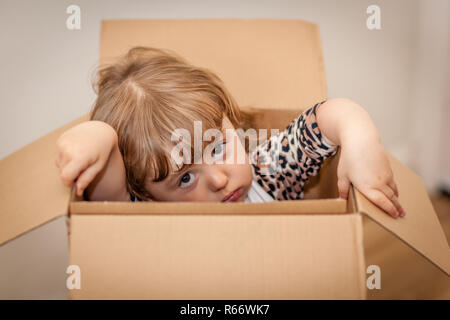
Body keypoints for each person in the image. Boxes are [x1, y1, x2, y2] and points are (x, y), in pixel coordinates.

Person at [55, 47, 405, 218]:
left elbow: (328, 117)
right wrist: (99, 135)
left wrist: (360, 138)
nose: (221, 179)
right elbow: (107, 194)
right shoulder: (150, 218)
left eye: (219, 147)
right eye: (186, 179)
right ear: (145, 195)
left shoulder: (268, 174)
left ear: (231, 122)